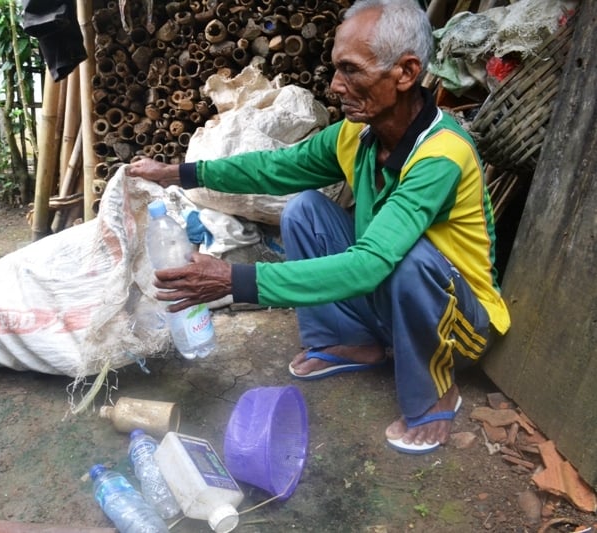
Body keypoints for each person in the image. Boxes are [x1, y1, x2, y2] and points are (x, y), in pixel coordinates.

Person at [126, 0, 510, 454]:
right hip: (395, 301)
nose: (335, 86)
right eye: (335, 69)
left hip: (459, 324)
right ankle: (352, 340)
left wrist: (233, 280)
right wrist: (178, 174)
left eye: (351, 70)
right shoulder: (359, 134)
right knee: (303, 209)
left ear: (405, 73)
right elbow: (276, 168)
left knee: (410, 259)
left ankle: (434, 393)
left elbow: (368, 266)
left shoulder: (442, 155)